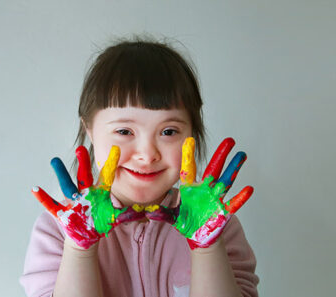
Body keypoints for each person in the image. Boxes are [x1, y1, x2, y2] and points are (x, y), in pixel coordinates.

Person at [20, 37, 259, 297]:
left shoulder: (217, 223)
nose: (147, 154)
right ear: (89, 130)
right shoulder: (58, 228)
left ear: (192, 134)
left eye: (168, 131)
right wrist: (79, 248)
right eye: (124, 130)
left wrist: (207, 248)